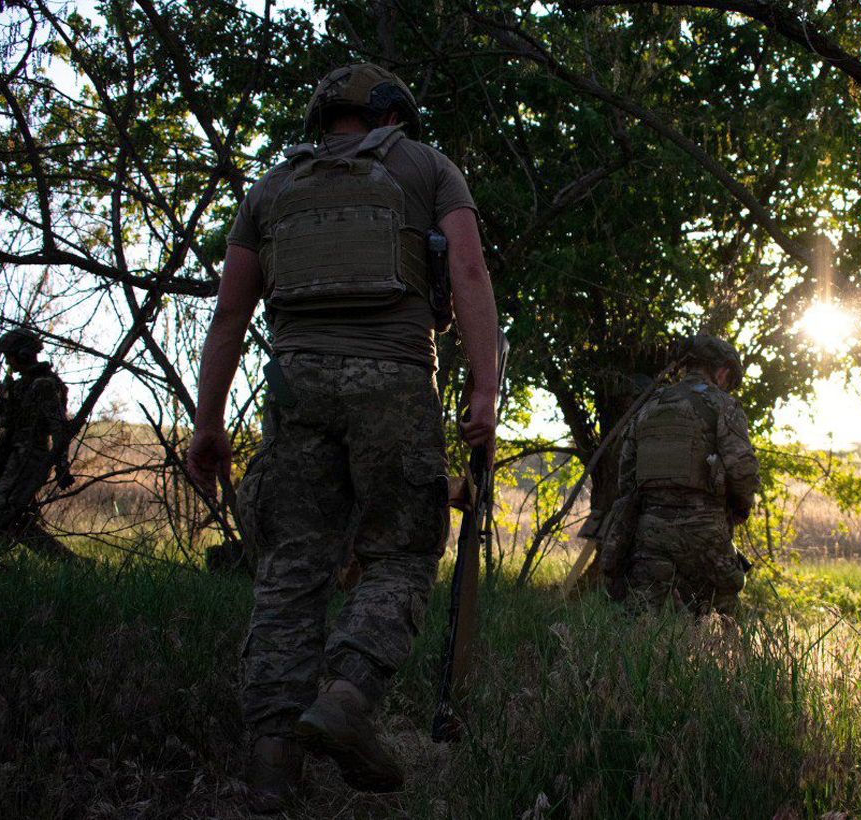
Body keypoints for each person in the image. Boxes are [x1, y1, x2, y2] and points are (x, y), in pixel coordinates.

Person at [185, 63, 499, 812]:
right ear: (392, 116)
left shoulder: (270, 189)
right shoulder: (428, 166)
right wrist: (484, 389)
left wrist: (209, 424)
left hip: (295, 392)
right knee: (401, 551)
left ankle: (270, 768)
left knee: (291, 570)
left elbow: (229, 316)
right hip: (392, 381)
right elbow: (469, 272)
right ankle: (348, 697)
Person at [608, 335, 759, 616]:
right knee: (723, 612)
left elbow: (626, 474)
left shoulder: (649, 406)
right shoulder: (723, 405)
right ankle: (719, 658)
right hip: (706, 530)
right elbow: (742, 469)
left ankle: (632, 660)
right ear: (722, 371)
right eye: (729, 379)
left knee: (643, 616)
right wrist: (741, 508)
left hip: (651, 529)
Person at [0, 327, 76, 560]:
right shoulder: (22, 384)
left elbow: (58, 427)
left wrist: (61, 464)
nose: (8, 362)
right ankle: (70, 563)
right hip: (14, 458)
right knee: (18, 522)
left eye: (9, 355)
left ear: (22, 354)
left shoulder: (43, 385)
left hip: (28, 459)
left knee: (2, 515)